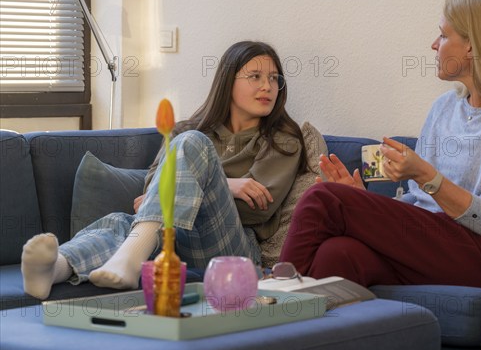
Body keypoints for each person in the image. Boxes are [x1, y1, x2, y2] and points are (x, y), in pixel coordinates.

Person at [279, 0, 481, 291]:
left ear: (471, 46)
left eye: (442, 36)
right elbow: (418, 204)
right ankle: (297, 333)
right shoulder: (443, 109)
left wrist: (426, 175)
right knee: (336, 255)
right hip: (429, 246)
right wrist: (366, 201)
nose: (433, 45)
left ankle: (269, 295)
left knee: (322, 199)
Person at [21, 41, 309, 300]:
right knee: (121, 221)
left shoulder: (282, 139)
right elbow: (149, 193)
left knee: (191, 148)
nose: (267, 87)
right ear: (227, 82)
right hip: (171, 240)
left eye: (274, 78)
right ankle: (56, 268)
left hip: (231, 249)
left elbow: (258, 208)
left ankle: (131, 257)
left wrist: (195, 188)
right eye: (255, 77)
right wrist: (231, 184)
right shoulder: (186, 130)